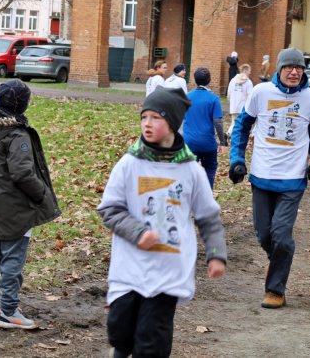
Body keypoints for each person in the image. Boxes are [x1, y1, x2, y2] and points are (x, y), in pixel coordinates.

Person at [97, 86, 227, 358]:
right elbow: (109, 208)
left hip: (169, 268)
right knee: (120, 331)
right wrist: (136, 232)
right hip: (130, 266)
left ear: (173, 123)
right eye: (144, 117)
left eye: (156, 118)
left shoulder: (190, 169)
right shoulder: (130, 163)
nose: (147, 124)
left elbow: (208, 216)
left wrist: (216, 255)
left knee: (151, 341)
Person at [229, 47, 310, 309]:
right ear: (279, 69)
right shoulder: (261, 93)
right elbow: (241, 126)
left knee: (281, 235)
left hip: (293, 180)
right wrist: (237, 159)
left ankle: (275, 290)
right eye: (289, 67)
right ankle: (280, 262)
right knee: (263, 235)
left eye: (299, 68)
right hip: (261, 176)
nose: (294, 72)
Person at [0, 79, 61, 329]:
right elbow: (22, 173)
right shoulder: (17, 134)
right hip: (16, 208)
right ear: (23, 105)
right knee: (12, 259)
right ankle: (8, 311)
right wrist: (42, 195)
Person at [183, 67, 227, 188]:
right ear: (209, 80)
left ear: (195, 80)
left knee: (189, 172)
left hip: (189, 142)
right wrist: (222, 142)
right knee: (210, 169)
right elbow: (218, 122)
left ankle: (189, 198)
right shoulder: (213, 98)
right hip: (207, 143)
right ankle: (206, 197)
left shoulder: (186, 97)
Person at [227, 63, 254, 140]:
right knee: (240, 123)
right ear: (246, 70)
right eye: (249, 71)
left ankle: (231, 135)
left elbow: (229, 92)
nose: (250, 72)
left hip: (234, 104)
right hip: (243, 106)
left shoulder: (233, 80)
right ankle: (229, 134)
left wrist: (230, 102)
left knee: (234, 122)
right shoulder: (248, 82)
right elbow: (250, 96)